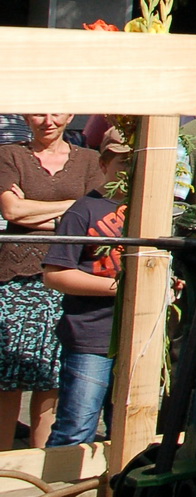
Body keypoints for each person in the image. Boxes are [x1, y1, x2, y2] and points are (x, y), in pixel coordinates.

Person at [0, 114, 104, 446]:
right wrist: (73, 211)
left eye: (56, 112)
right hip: (14, 280)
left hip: (67, 273)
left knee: (52, 378)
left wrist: (35, 211)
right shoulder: (9, 155)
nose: (47, 121)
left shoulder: (90, 159)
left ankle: (42, 474)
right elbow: (12, 212)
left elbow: (95, 219)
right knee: (6, 379)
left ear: (71, 115)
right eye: (38, 112)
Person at [41, 130, 131, 447]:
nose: (131, 170)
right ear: (104, 163)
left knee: (130, 428)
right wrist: (119, 287)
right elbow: (55, 275)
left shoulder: (155, 210)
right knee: (76, 427)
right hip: (91, 336)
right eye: (124, 161)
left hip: (137, 335)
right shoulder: (84, 211)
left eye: (138, 161)